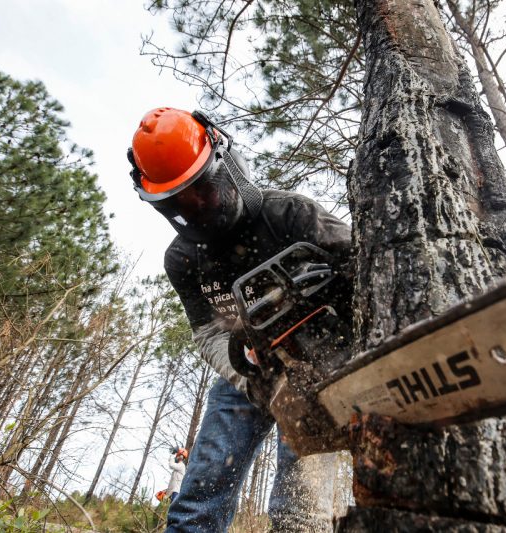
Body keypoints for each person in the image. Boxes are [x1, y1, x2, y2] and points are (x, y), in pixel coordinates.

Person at [127, 107, 351, 533]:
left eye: (202, 191)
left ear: (226, 167)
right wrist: (246, 378)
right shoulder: (182, 259)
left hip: (317, 368)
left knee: (299, 511)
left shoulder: (291, 215)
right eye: (179, 203)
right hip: (249, 371)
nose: (196, 208)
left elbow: (362, 268)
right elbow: (208, 332)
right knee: (198, 500)